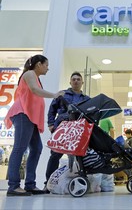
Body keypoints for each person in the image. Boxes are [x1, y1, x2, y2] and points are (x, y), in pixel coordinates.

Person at [4, 55, 65, 196]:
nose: (47, 68)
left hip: (29, 117)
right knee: (19, 148)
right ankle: (13, 186)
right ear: (38, 64)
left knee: (36, 148)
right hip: (22, 114)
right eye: (46, 65)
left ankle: (30, 184)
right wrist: (55, 95)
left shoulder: (36, 77)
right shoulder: (30, 74)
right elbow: (34, 90)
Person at [44, 72, 90, 193]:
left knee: (80, 156)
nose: (76, 81)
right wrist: (50, 124)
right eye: (73, 79)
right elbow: (52, 110)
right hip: (62, 128)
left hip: (78, 131)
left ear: (82, 82)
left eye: (78, 79)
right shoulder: (62, 94)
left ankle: (81, 181)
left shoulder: (86, 99)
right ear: (70, 82)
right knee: (55, 155)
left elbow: (91, 115)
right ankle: (48, 183)